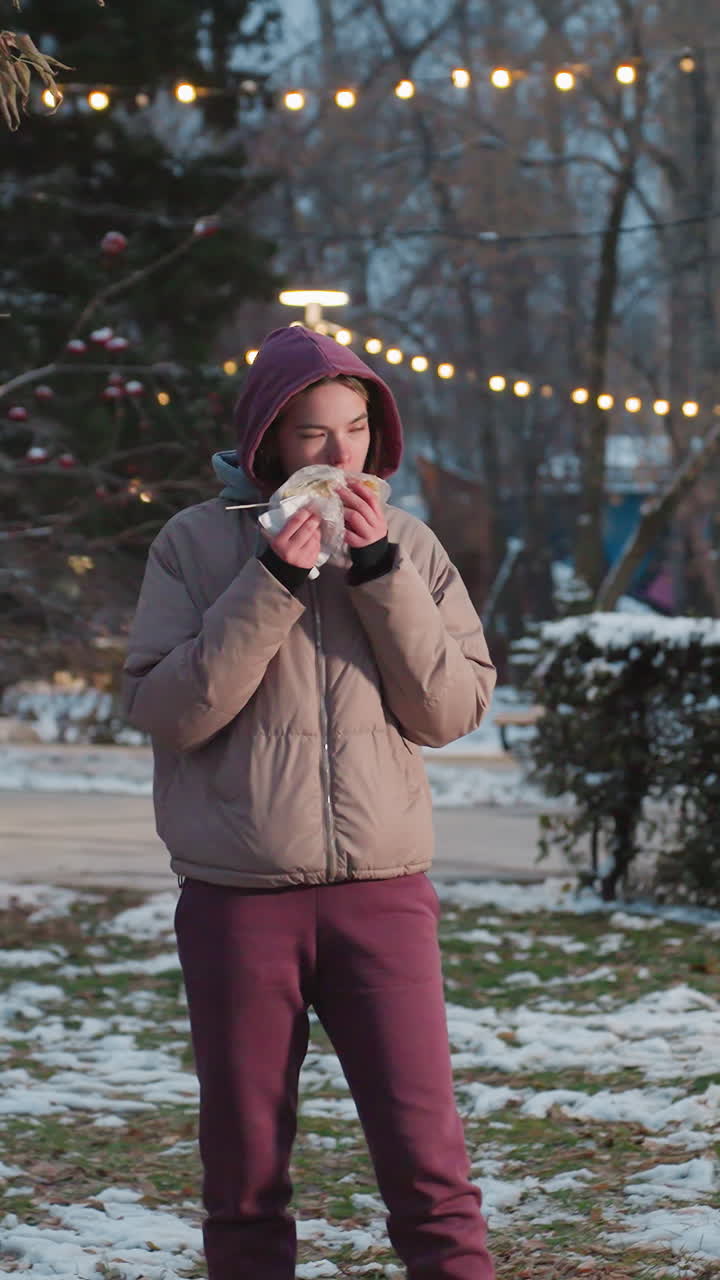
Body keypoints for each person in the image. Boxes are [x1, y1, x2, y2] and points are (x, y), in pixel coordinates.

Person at [122, 324, 497, 1280]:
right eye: (314, 434)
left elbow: (450, 711)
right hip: (238, 899)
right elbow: (169, 712)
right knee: (245, 1175)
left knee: (430, 1167)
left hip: (384, 896)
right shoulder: (195, 543)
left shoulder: (411, 544)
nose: (341, 455)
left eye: (357, 430)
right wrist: (275, 578)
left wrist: (379, 575)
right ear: (268, 439)